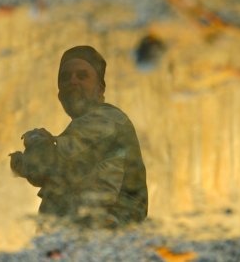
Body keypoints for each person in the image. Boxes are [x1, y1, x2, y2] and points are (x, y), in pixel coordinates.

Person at [10, 46, 148, 227]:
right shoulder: (84, 126)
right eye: (65, 78)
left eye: (82, 76)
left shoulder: (107, 120)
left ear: (100, 89)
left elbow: (47, 164)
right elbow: (44, 172)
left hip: (100, 241)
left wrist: (35, 142)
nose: (73, 81)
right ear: (59, 95)